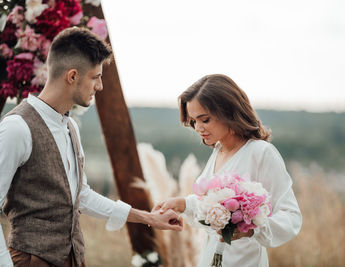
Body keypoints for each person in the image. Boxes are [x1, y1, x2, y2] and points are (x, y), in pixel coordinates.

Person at [0, 27, 182, 267]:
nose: (100, 86)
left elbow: (81, 196)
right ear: (72, 76)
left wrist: (149, 218)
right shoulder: (16, 128)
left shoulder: (71, 127)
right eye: (95, 77)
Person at [153, 74, 302, 267]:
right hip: (209, 259)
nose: (197, 128)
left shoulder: (261, 152)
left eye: (204, 120)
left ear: (229, 112)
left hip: (245, 261)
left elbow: (291, 216)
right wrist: (183, 204)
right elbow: (213, 210)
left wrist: (252, 229)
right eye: (193, 121)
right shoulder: (218, 150)